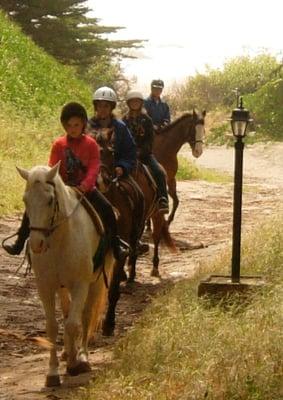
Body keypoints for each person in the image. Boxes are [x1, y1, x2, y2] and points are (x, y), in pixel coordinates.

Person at [3, 102, 128, 262]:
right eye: (69, 125)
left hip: (85, 190)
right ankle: (19, 242)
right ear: (64, 125)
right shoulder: (58, 144)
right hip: (62, 189)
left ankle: (116, 247)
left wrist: (84, 186)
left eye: (76, 124)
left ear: (83, 124)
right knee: (33, 208)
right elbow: (52, 169)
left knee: (107, 210)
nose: (73, 128)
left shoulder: (91, 144)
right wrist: (56, 185)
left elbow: (94, 168)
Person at [123, 89, 169, 214]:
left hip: (144, 155)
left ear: (141, 103)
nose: (135, 104)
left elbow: (149, 140)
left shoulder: (147, 120)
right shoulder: (124, 120)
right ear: (128, 103)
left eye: (137, 101)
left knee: (159, 172)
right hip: (127, 156)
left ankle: (162, 199)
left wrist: (141, 152)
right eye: (132, 102)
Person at [88, 86, 137, 179]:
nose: (103, 109)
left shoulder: (120, 127)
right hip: (90, 170)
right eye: (100, 106)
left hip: (115, 169)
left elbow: (130, 150)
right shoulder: (88, 126)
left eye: (106, 106)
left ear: (111, 107)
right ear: (96, 107)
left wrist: (122, 166)